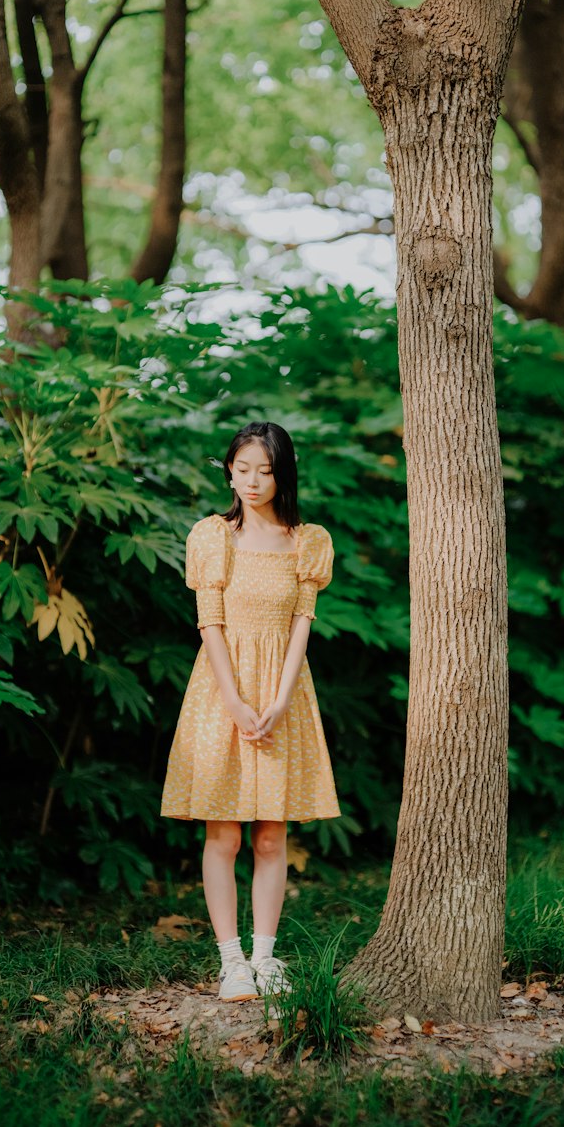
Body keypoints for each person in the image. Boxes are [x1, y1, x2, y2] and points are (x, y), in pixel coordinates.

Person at [161, 421, 340, 1002]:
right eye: (242, 469)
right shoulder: (213, 536)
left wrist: (282, 696)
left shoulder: (305, 541)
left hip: (285, 691)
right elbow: (208, 623)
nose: (252, 481)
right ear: (229, 472)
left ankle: (266, 959)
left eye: (264, 470)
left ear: (282, 472)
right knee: (224, 835)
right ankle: (230, 962)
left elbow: (301, 625)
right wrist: (235, 699)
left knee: (270, 836)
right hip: (221, 689)